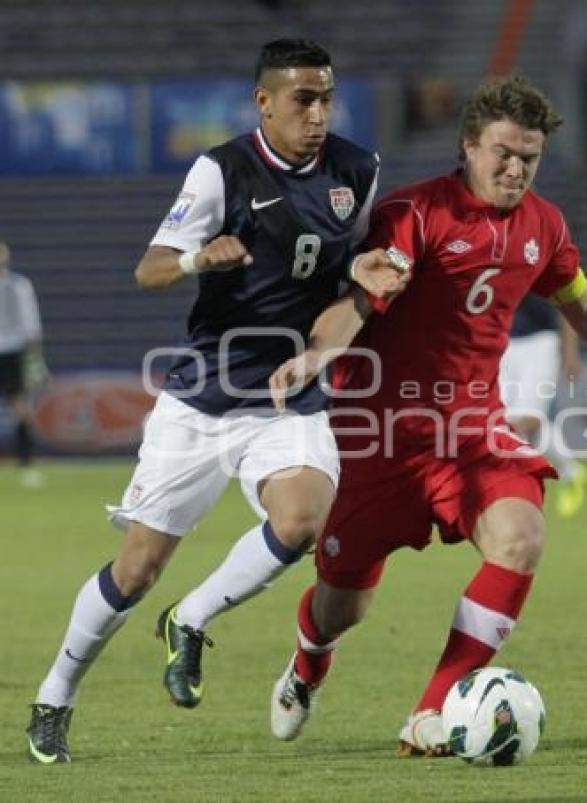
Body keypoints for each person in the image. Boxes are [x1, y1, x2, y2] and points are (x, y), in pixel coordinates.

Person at [262, 74, 587, 755]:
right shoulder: (415, 214)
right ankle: (308, 661)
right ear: (469, 146)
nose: (515, 169)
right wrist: (315, 353)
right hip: (382, 440)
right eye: (503, 153)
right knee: (343, 605)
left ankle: (429, 716)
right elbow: (365, 299)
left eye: (529, 158)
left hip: (474, 428)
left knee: (520, 537)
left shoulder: (544, 225)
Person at [25, 38, 405, 765]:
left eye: (326, 96)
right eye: (303, 98)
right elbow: (149, 270)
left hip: (287, 395)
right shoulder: (221, 170)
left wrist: (358, 271)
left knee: (303, 519)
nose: (318, 112)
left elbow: (340, 274)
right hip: (203, 397)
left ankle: (192, 618)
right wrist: (201, 256)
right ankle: (55, 694)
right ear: (264, 101)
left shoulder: (357, 169)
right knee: (135, 567)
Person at [499, 294, 587, 518]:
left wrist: (570, 351)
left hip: (541, 342)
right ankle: (572, 471)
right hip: (502, 342)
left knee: (527, 419)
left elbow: (568, 303)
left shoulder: (539, 261)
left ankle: (516, 489)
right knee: (504, 421)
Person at [0, 241, 48, 488]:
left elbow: (31, 327)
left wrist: (35, 363)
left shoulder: (19, 286)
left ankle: (27, 465)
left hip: (12, 352)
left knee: (21, 408)